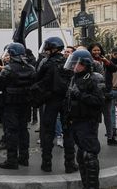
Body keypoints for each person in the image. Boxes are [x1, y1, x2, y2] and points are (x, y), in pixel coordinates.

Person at [33, 37, 77, 173]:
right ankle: (70, 164)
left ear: (53, 48)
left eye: (48, 49)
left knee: (47, 133)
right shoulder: (67, 62)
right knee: (68, 132)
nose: (46, 51)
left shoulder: (46, 63)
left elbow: (37, 78)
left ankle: (46, 164)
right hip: (65, 101)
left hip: (51, 101)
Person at [63, 50, 105, 189]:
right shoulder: (75, 77)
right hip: (75, 121)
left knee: (90, 155)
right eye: (74, 64)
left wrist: (80, 95)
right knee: (81, 156)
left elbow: (99, 101)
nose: (74, 67)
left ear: (85, 65)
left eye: (78, 64)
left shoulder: (95, 78)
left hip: (88, 121)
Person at [0, 42, 35, 169]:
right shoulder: (31, 68)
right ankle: (24, 158)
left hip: (11, 104)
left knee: (11, 132)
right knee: (24, 131)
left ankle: (12, 160)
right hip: (26, 104)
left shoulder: (8, 68)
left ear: (12, 54)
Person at [88, 43, 117, 146]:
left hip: (107, 91)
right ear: (90, 51)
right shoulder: (88, 61)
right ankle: (94, 139)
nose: (97, 52)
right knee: (95, 117)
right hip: (95, 93)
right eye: (94, 50)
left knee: (108, 116)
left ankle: (110, 137)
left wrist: (107, 62)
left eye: (98, 50)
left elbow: (114, 69)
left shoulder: (105, 60)